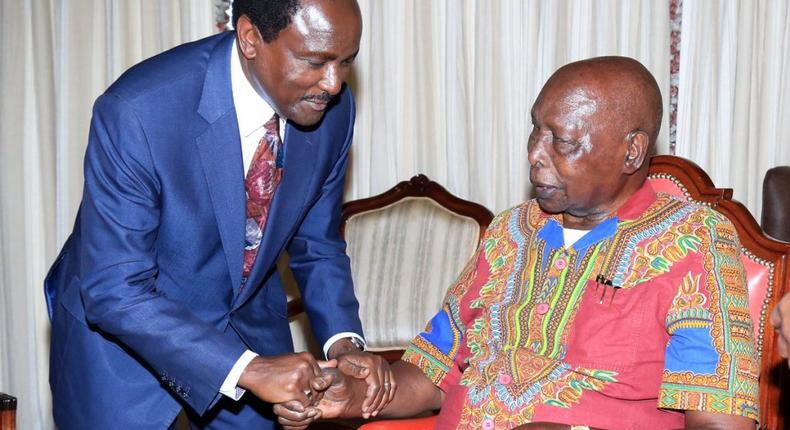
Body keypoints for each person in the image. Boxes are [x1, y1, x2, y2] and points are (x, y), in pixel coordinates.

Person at [274, 57, 760, 429]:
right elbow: (429, 373)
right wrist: (354, 395)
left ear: (631, 151)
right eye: (535, 130)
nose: (534, 155)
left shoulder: (695, 241)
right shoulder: (510, 232)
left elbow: (721, 420)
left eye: (561, 141)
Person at [43, 1, 394, 428]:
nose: (334, 84)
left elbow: (316, 243)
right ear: (250, 38)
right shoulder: (138, 111)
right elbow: (114, 288)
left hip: (245, 328)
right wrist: (248, 369)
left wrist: (345, 346)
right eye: (315, 61)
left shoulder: (332, 111)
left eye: (346, 61)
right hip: (121, 344)